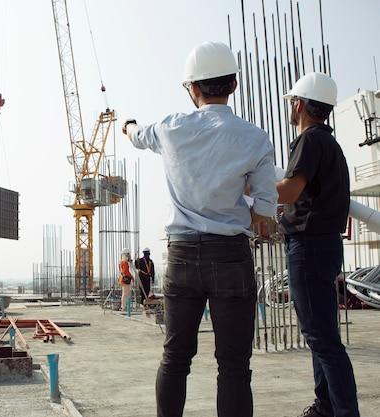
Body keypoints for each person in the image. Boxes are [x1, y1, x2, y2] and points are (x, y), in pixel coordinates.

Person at [124, 41, 277, 417]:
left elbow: (137, 135)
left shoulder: (171, 128)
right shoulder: (255, 137)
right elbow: (265, 215)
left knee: (176, 357)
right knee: (234, 366)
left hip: (182, 257)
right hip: (231, 258)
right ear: (234, 85)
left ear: (192, 88)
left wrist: (127, 125)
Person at [277, 72, 359, 417]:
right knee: (321, 336)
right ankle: (326, 407)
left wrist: (244, 186)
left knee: (324, 341)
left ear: (299, 104)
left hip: (308, 249)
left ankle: (342, 412)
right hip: (322, 247)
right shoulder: (331, 144)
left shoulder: (310, 141)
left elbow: (290, 191)